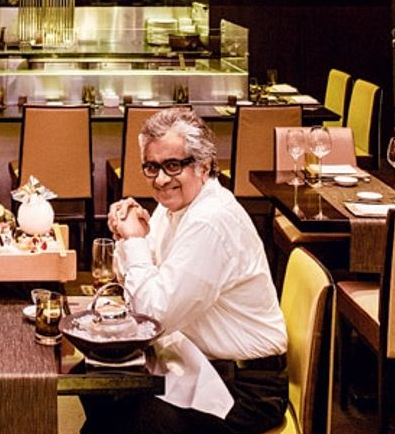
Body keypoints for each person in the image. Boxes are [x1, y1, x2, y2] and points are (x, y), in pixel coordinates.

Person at [82, 107, 288, 434]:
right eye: (152, 167)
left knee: (131, 418)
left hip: (243, 388)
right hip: (196, 363)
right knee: (91, 378)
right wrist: (130, 236)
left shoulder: (210, 220)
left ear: (204, 166)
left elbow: (153, 316)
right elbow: (140, 282)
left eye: (173, 165)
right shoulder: (175, 207)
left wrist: (134, 241)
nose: (161, 179)